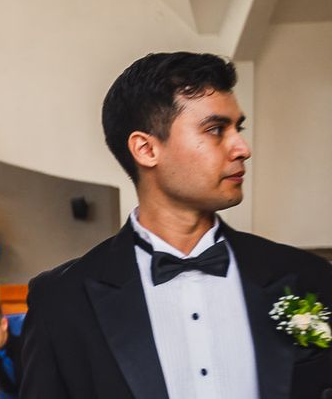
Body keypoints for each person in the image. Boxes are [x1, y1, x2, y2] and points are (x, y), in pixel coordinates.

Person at [20, 52, 332, 399]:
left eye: (237, 129)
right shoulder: (62, 301)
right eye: (215, 130)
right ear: (146, 149)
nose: (242, 148)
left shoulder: (308, 277)